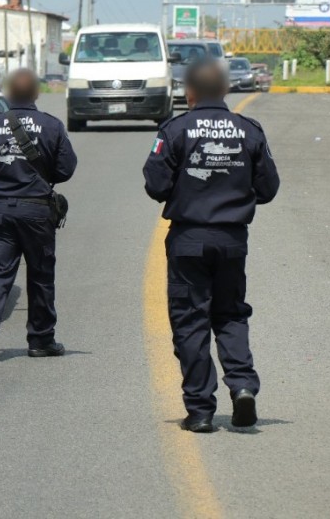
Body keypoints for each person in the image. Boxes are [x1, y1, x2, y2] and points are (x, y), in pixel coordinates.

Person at [142, 59, 280, 433]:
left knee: (191, 322)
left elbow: (155, 185)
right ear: (224, 90)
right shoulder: (249, 130)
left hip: (188, 240)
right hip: (232, 240)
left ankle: (201, 411)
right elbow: (268, 189)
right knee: (231, 314)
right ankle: (242, 386)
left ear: (190, 92)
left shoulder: (174, 129)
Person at [0, 68, 77, 362]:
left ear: (8, 94)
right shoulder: (51, 126)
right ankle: (41, 340)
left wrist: (2, 174)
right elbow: (66, 169)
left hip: (1, 210)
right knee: (41, 276)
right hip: (37, 212)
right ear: (36, 93)